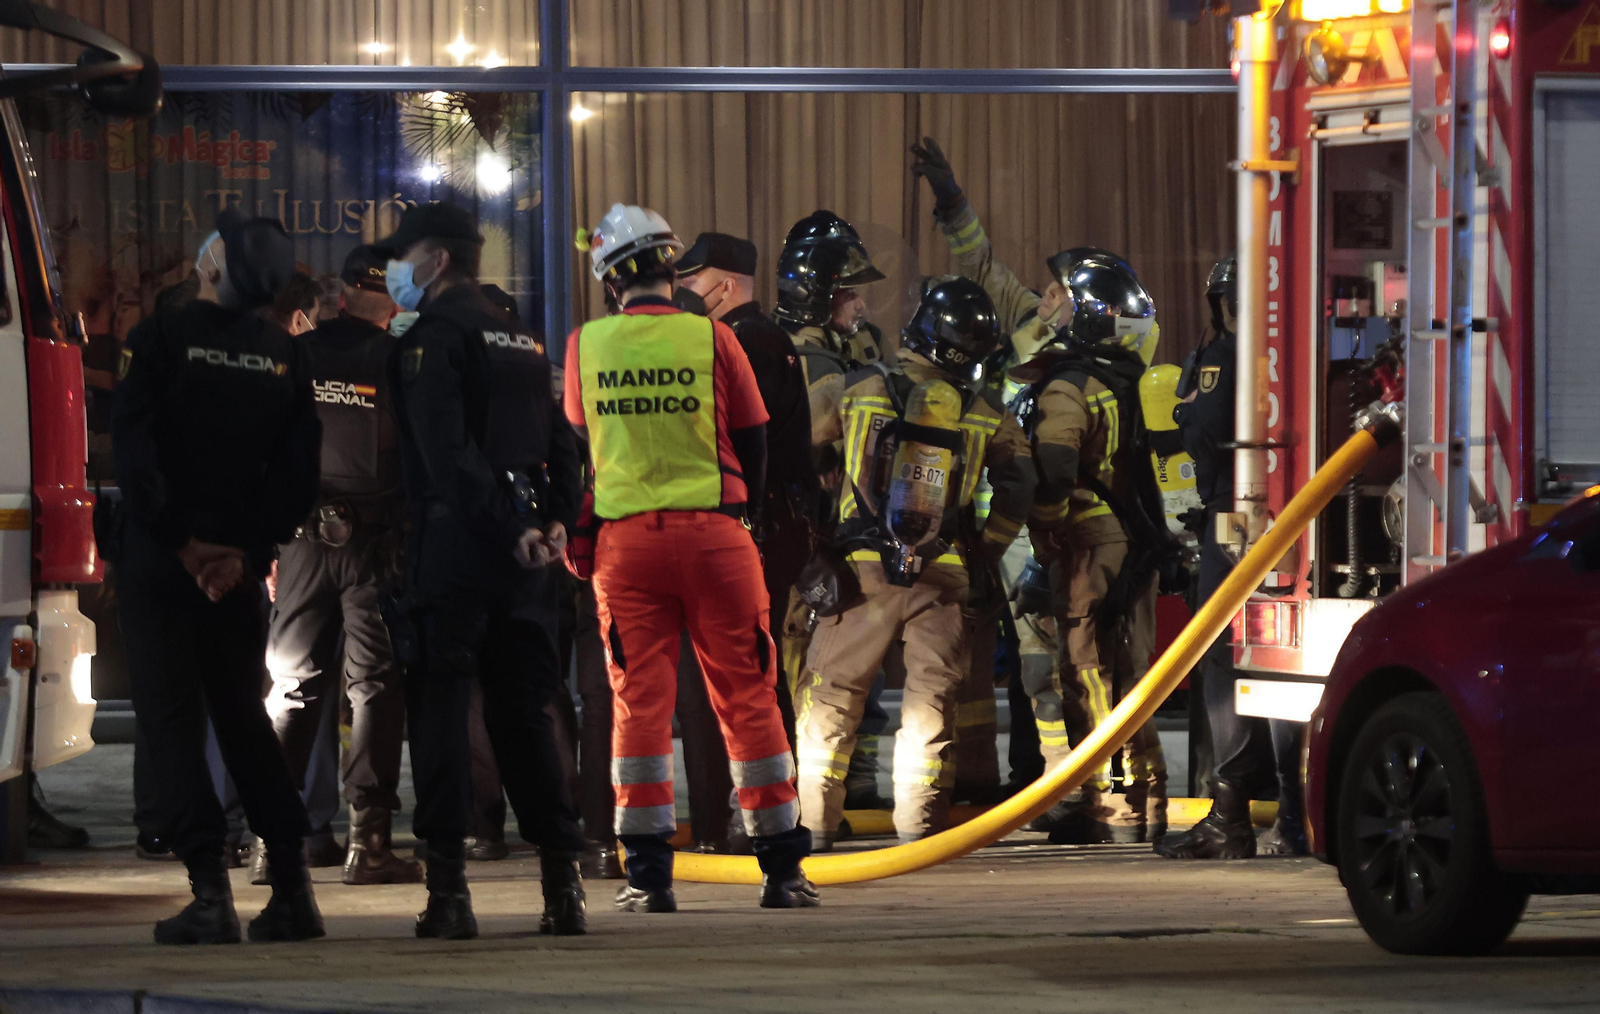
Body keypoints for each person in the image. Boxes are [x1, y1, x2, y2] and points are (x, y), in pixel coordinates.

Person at [913, 136, 1167, 837]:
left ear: (1080, 313)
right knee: (1046, 674)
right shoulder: (1043, 339)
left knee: (1075, 672)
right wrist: (951, 201)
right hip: (1021, 528)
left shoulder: (1073, 379)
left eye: (1056, 292)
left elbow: (1055, 468)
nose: (1041, 295)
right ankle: (1065, 790)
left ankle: (1097, 798)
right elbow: (981, 263)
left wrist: (1032, 541)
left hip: (1049, 531)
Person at [566, 203, 816, 913]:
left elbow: (583, 441)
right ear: (671, 270)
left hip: (626, 548)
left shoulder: (586, 346)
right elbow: (755, 439)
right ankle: (782, 871)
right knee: (748, 696)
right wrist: (745, 519)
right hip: (716, 537)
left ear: (610, 281)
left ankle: (648, 878)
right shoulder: (715, 338)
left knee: (638, 707)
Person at [111, 211, 325, 944]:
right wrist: (243, 553)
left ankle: (210, 893)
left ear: (210, 266)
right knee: (244, 720)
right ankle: (293, 890)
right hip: (236, 573)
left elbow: (133, 453)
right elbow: (298, 476)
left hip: (163, 563)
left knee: (172, 723)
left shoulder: (159, 338)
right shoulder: (285, 355)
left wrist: (182, 544)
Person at [380, 201, 588, 940]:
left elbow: (446, 454)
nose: (394, 271)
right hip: (528, 559)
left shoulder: (434, 337)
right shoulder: (521, 337)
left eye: (403, 257)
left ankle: (448, 893)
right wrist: (554, 521)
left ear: (436, 261)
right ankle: (562, 887)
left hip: (461, 546)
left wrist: (508, 527)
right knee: (525, 714)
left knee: (441, 714)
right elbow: (562, 442)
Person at [795, 276, 1036, 849]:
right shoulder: (985, 410)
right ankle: (920, 831)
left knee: (832, 697)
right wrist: (988, 546)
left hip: (863, 571)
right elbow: (1021, 481)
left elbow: (797, 442)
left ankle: (814, 828)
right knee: (930, 705)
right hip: (944, 571)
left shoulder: (858, 386)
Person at [259, 246, 421, 888]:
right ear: (396, 299)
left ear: (343, 294)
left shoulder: (295, 352)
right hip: (375, 544)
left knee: (290, 686)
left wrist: (270, 542)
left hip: (301, 541)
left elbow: (267, 447)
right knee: (374, 686)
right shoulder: (400, 358)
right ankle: (369, 846)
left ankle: (273, 845)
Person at [1006, 253, 1171, 845]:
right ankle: (1144, 803)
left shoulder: (1070, 385)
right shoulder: (1129, 382)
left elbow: (1055, 466)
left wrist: (1046, 531)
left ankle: (1107, 805)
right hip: (1135, 545)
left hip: (1087, 545)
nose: (1055, 313)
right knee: (1133, 674)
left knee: (1087, 672)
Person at [1156, 254, 1306, 860]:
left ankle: (1229, 817)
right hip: (1296, 515)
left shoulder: (1221, 357)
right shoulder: (1295, 355)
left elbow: (1203, 438)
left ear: (1223, 304)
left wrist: (1188, 407)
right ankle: (1295, 817)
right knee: (1286, 662)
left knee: (1224, 660)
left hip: (1231, 516)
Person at [674, 231, 815, 744]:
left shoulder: (743, 341)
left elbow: (735, 438)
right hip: (771, 518)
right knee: (751, 660)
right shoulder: (758, 335)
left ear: (727, 286)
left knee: (746, 665)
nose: (684, 291)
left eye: (694, 281)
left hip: (761, 522)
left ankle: (768, 783)